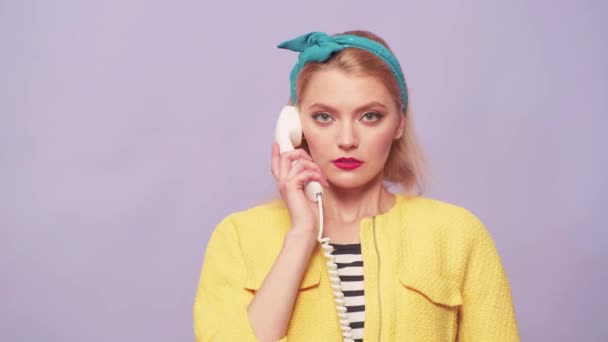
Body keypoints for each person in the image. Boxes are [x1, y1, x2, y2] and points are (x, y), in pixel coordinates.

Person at [193, 30, 519, 342]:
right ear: (294, 125)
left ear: (399, 124)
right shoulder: (237, 238)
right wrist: (301, 236)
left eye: (370, 116)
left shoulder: (457, 234)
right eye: (324, 117)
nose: (347, 140)